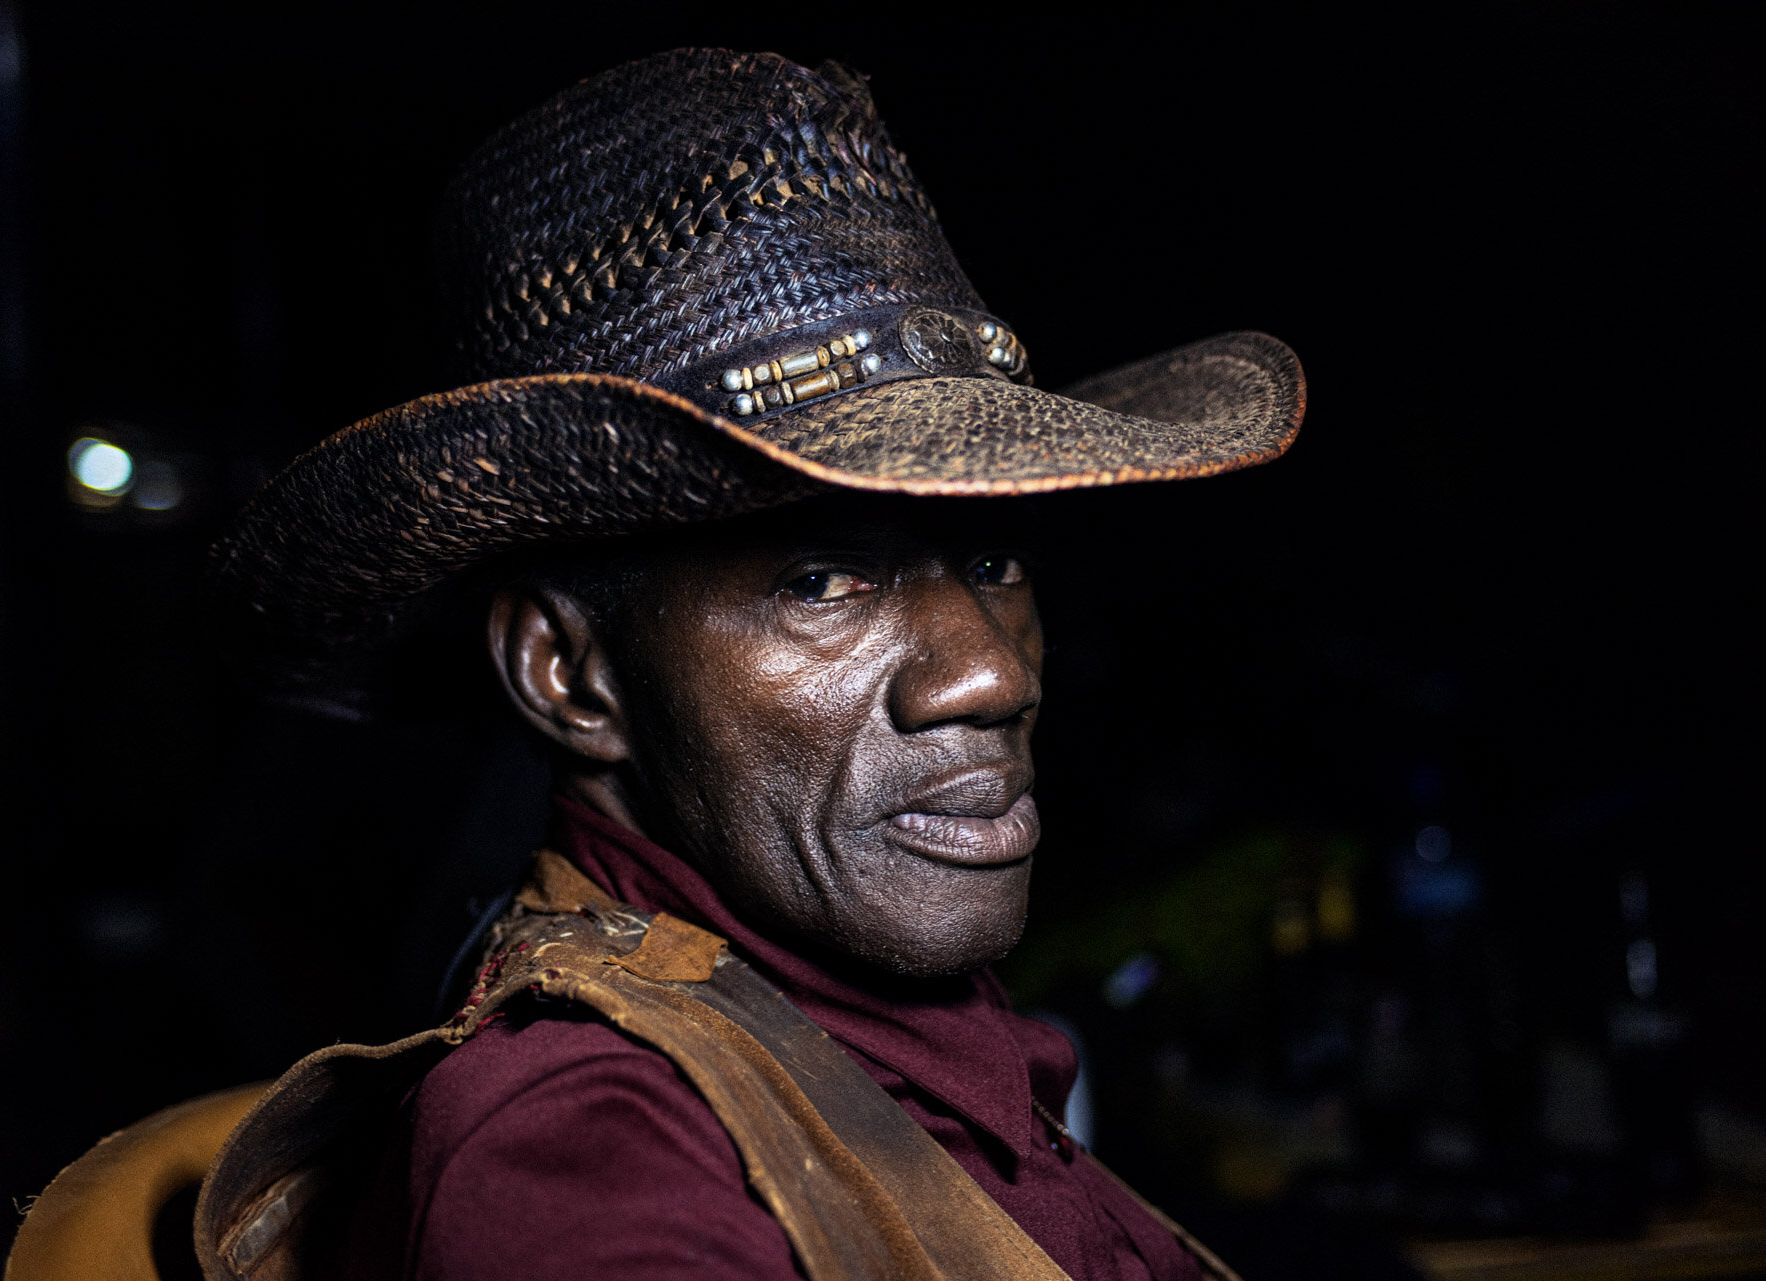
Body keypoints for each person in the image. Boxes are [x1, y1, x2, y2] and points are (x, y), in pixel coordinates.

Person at [196, 48, 1303, 1281]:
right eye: (821, 581)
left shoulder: (876, 1044)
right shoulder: (587, 1155)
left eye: (990, 557)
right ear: (569, 675)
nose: (989, 675)